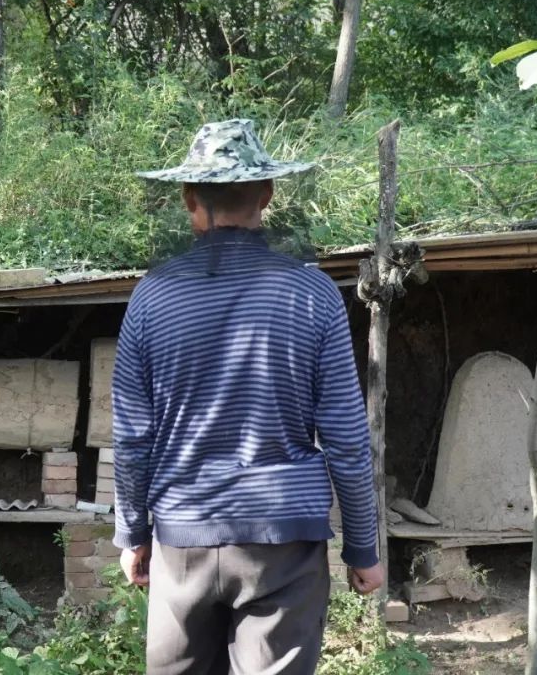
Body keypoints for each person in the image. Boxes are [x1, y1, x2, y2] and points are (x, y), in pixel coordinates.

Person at [113, 119, 384, 674]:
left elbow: (133, 436)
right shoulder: (314, 295)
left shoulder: (151, 297)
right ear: (267, 194)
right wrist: (363, 549)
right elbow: (348, 439)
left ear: (190, 198)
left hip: (181, 538)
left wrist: (133, 533)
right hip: (282, 543)